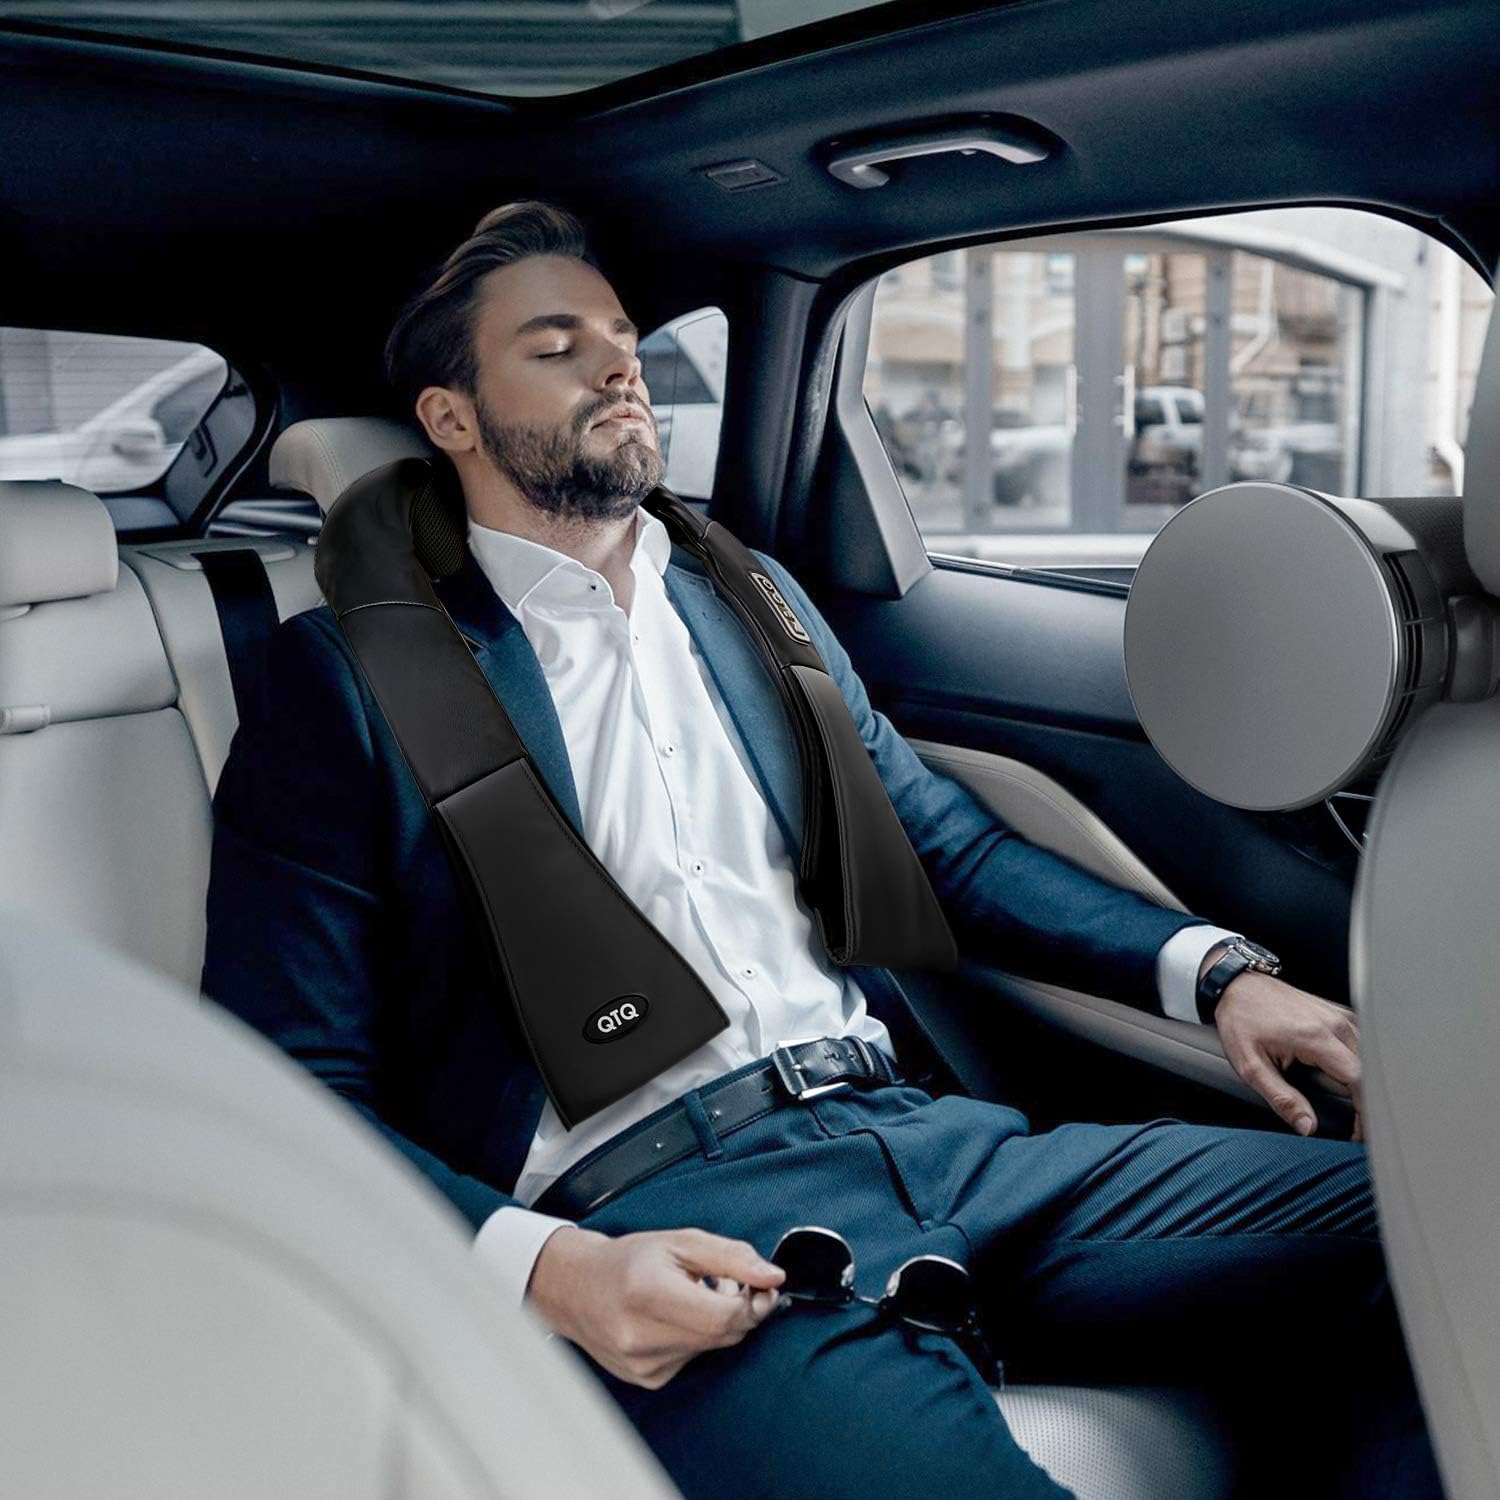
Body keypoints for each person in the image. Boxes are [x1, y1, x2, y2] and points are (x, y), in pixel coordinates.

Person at [201, 201, 1442, 1500]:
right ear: (453, 417)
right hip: (674, 1217)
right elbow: (289, 1083)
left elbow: (945, 854)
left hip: (935, 1141)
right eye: (557, 345)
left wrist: (1222, 975)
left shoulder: (752, 601)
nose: (620, 366)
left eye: (623, 337)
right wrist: (550, 1271)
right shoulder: (347, 682)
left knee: (1446, 1228)